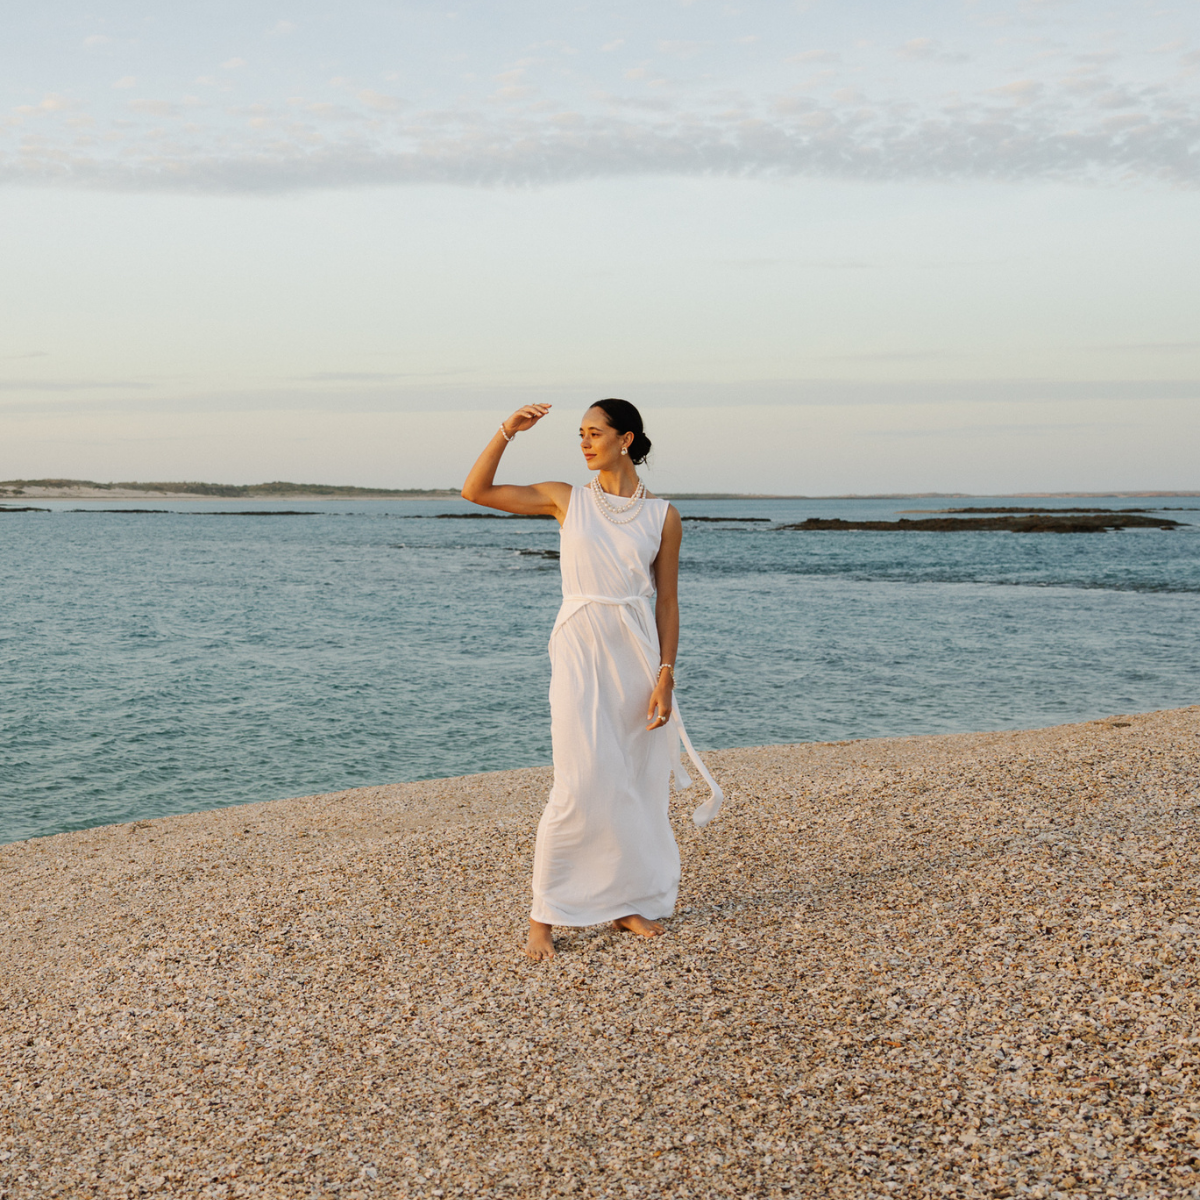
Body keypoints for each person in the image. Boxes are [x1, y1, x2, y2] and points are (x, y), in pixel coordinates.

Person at [461, 399, 722, 961]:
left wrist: (665, 676)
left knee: (632, 781)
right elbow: (475, 491)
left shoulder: (664, 516)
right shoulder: (567, 499)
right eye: (579, 434)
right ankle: (545, 914)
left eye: (594, 433)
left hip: (637, 653)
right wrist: (508, 430)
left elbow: (669, 602)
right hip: (580, 645)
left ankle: (623, 900)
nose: (583, 443)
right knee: (578, 782)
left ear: (625, 440)